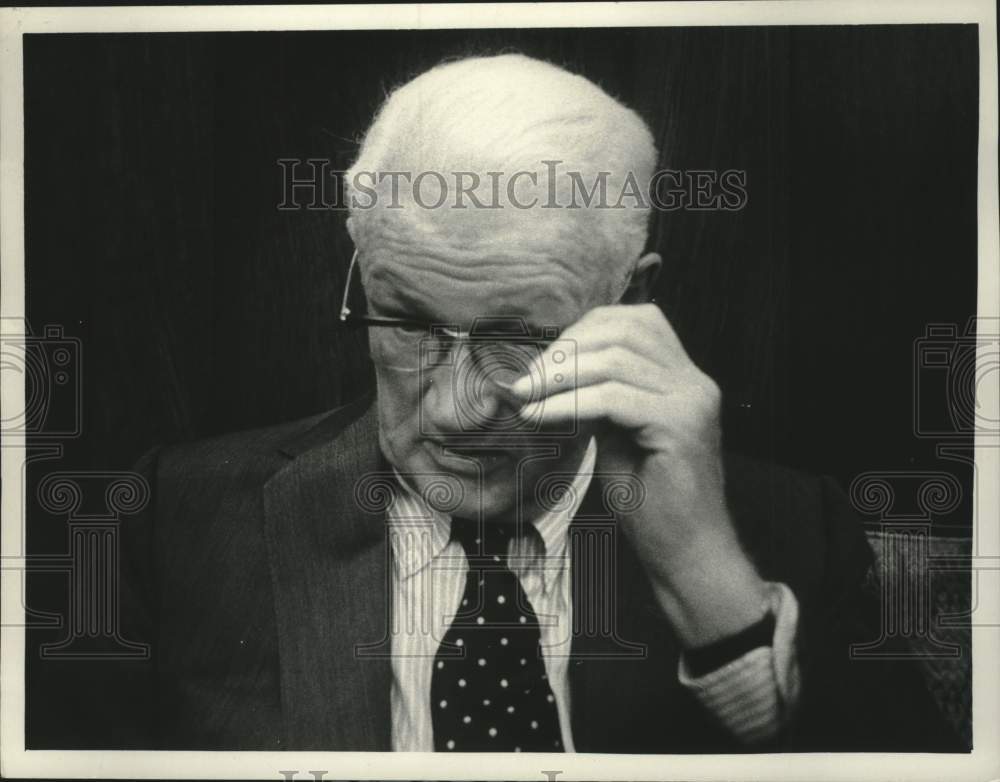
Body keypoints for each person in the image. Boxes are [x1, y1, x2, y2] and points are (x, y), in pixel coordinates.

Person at [108, 53, 958, 752]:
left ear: (629, 304)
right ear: (360, 275)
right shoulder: (177, 520)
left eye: (519, 338)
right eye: (406, 322)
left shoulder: (788, 531)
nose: (455, 410)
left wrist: (707, 583)